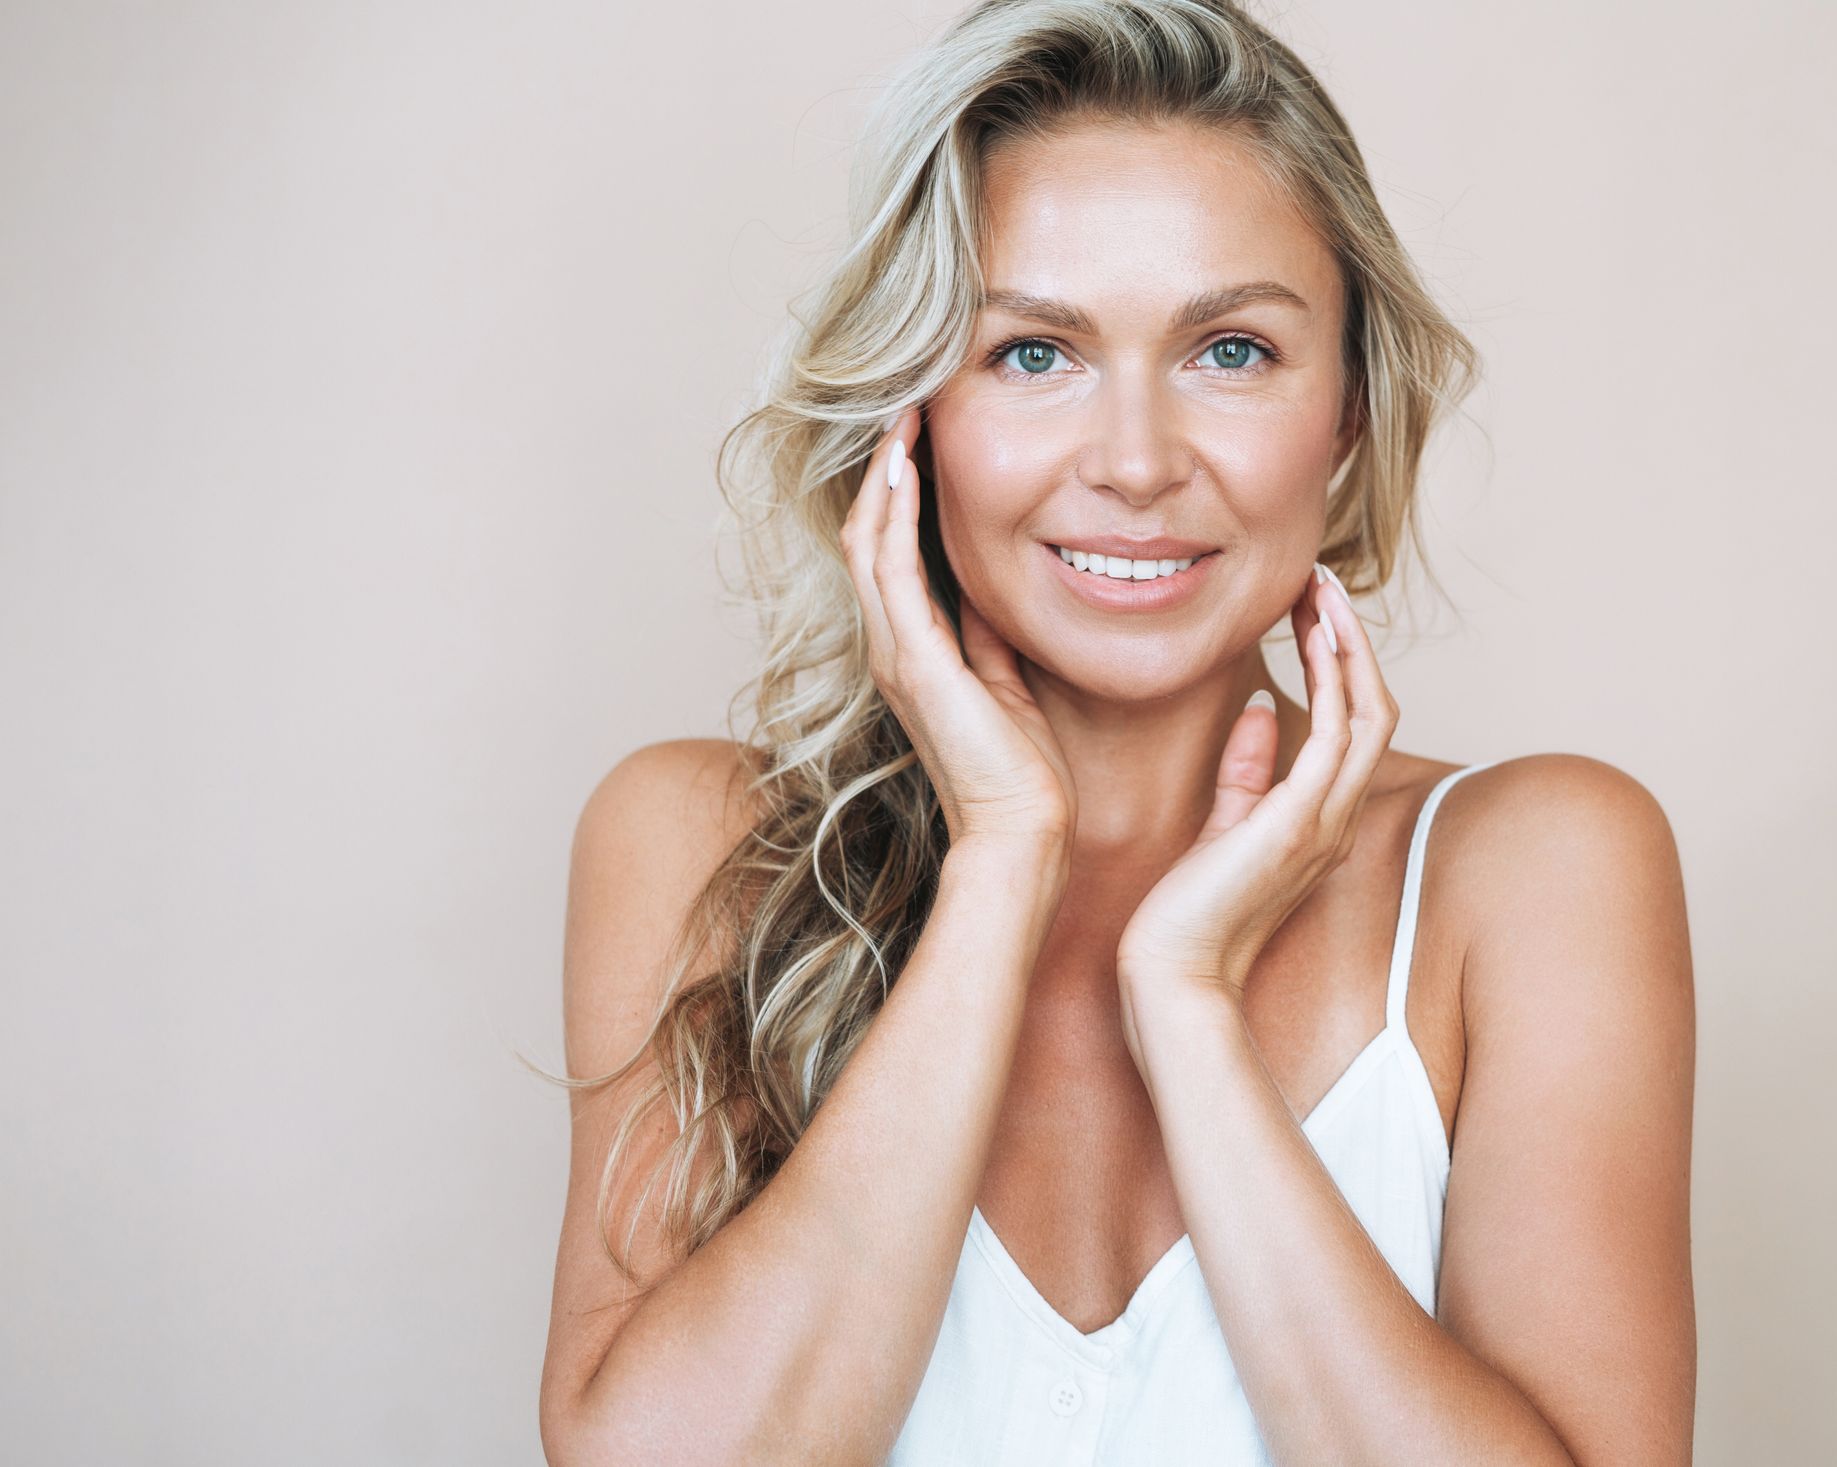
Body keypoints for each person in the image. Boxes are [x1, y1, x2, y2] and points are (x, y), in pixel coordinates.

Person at [536, 2, 1696, 1463]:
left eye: (1231, 350)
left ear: (1345, 411)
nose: (1138, 465)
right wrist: (1004, 865)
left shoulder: (1532, 871)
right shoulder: (703, 843)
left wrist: (1188, 1004)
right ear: (911, 416)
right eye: (1033, 354)